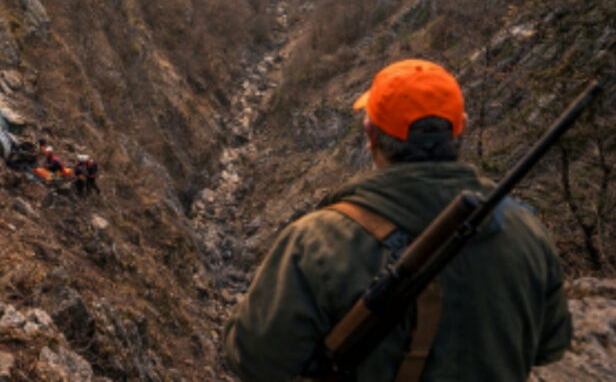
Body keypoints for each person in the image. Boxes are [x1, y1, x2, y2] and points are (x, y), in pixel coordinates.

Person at [222, 59, 571, 382]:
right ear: (461, 129)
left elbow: (253, 361)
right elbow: (551, 346)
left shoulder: (316, 241)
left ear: (370, 134)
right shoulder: (528, 232)